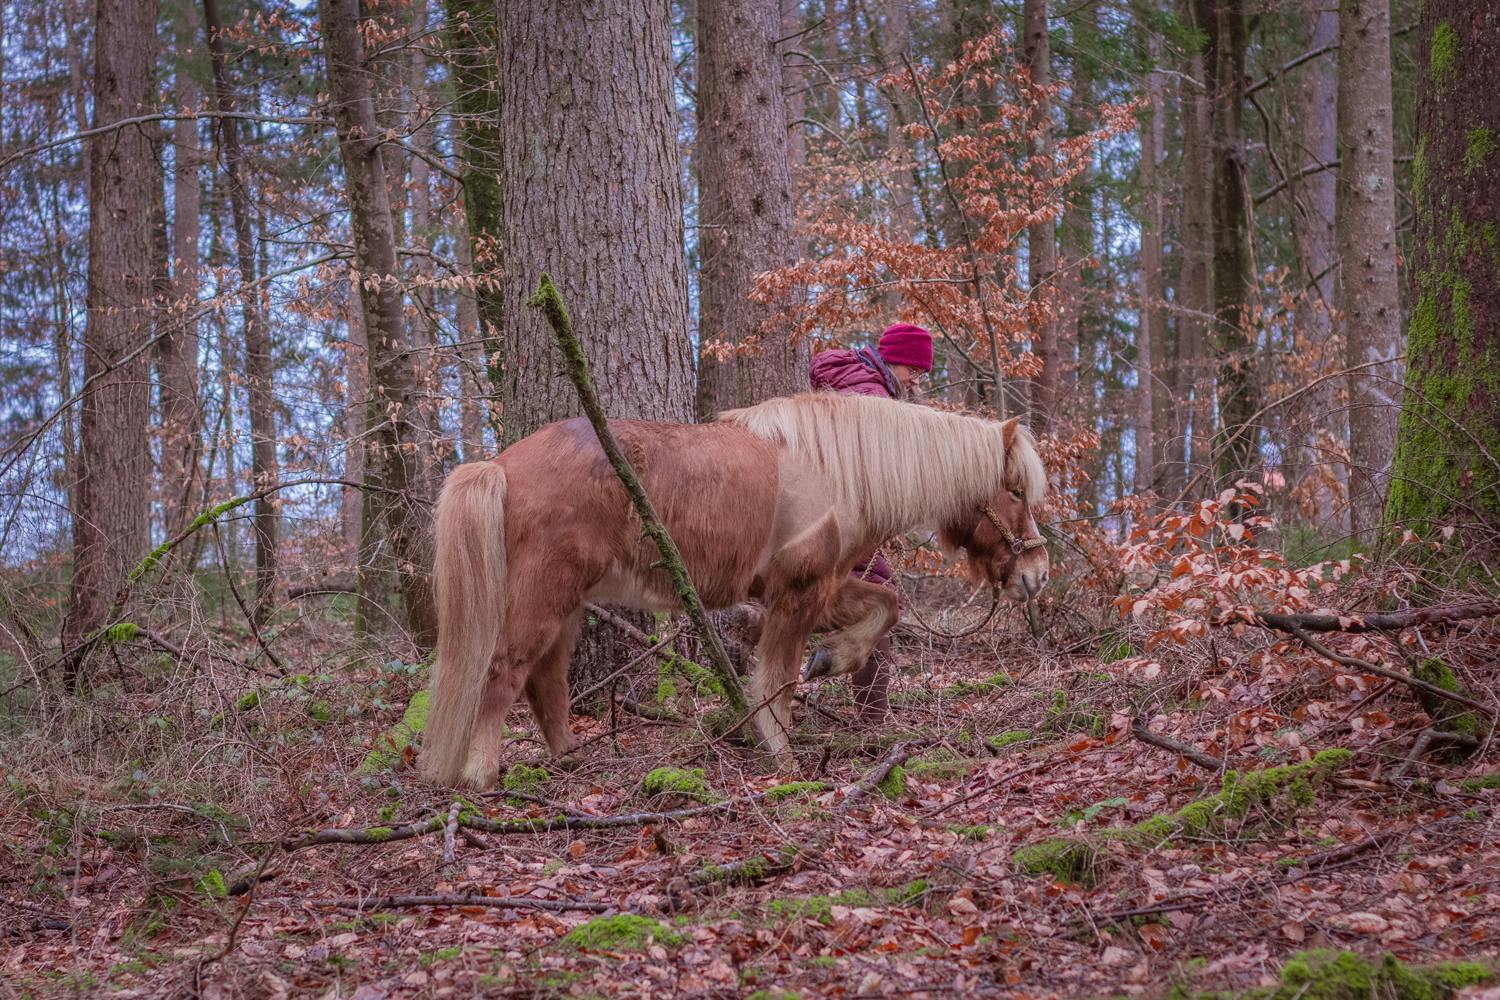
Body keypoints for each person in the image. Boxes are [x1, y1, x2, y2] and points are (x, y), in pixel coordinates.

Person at [807, 322, 934, 720]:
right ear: (895, 359)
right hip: (839, 518)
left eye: (922, 373)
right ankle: (872, 722)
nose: (916, 378)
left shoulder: (855, 382)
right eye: (914, 368)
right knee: (879, 601)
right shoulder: (870, 397)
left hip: (824, 513)